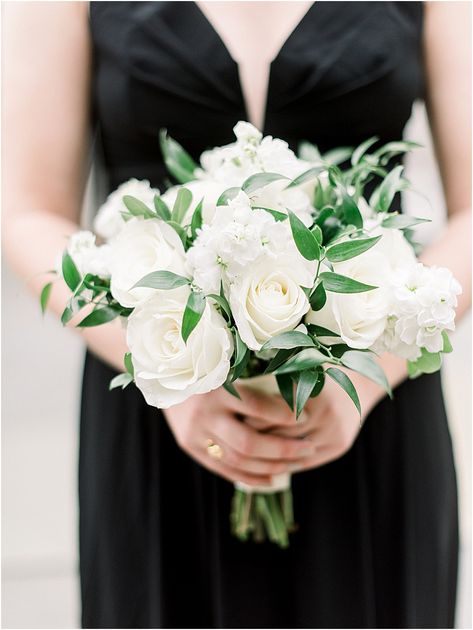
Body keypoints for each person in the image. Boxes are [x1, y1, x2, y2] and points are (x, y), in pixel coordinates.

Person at [3, 1, 471, 628]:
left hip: (370, 408)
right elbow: (28, 211)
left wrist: (365, 372)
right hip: (159, 416)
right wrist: (167, 365)